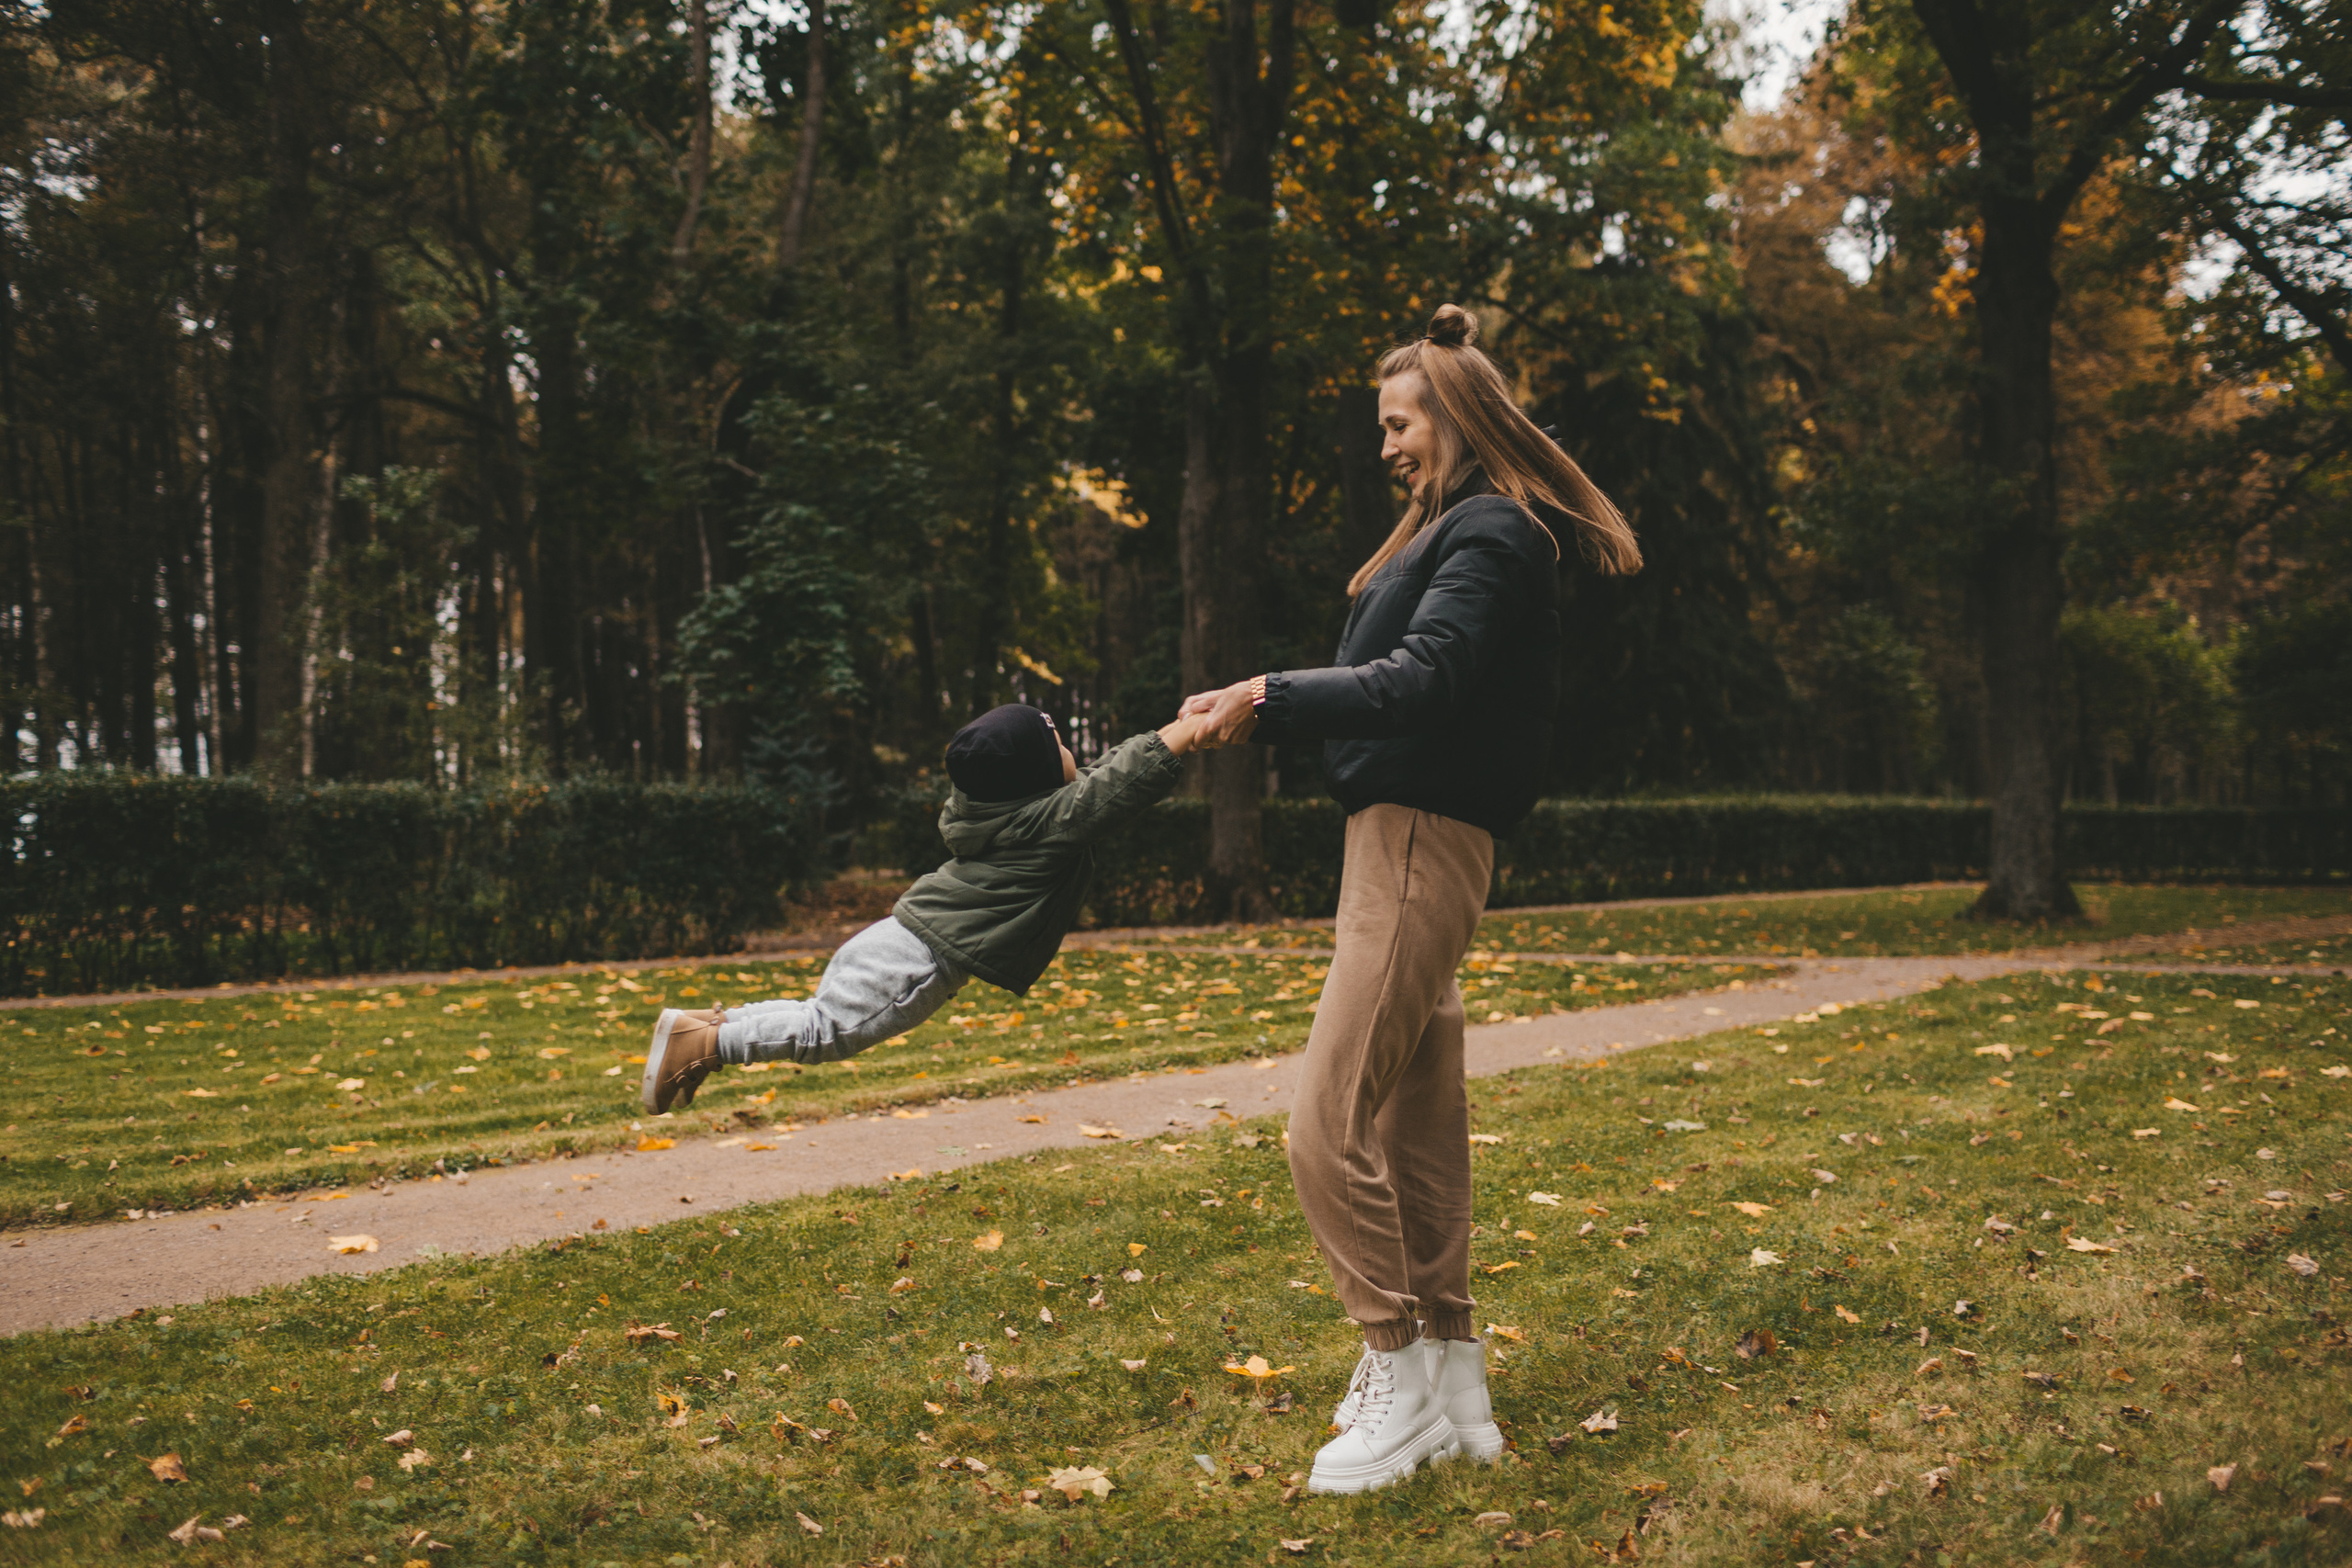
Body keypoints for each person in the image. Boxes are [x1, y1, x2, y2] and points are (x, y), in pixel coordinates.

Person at [1182, 303, 1642, 1495]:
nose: (1385, 446)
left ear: (1457, 414)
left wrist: (1265, 693)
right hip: (1400, 840)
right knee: (1414, 1127)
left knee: (1322, 1120)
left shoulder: (1491, 532)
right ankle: (1457, 1387)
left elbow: (1421, 679)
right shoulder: (1464, 529)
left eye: (1399, 423)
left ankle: (1394, 1371)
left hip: (1420, 842)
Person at [640, 703, 1204, 1111]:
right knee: (825, 1032)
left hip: (901, 937)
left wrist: (1172, 730)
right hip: (920, 960)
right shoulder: (1046, 823)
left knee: (817, 1012)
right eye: (1059, 748)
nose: (1073, 755)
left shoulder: (1011, 814)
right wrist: (1188, 734)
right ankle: (708, 1046)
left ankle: (708, 1026)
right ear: (1031, 778)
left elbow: (1103, 778)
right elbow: (1114, 788)